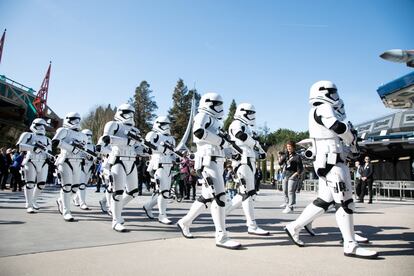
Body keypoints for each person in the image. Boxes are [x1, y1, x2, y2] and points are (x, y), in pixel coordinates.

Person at [284, 80, 377, 259]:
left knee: (324, 201)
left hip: (329, 161)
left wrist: (350, 143)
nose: (335, 94)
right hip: (331, 162)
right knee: (345, 202)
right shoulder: (323, 108)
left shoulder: (318, 110)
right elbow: (338, 127)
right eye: (332, 91)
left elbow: (336, 132)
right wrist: (351, 138)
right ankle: (350, 244)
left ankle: (293, 227)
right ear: (323, 92)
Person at [177, 92, 241, 249]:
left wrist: (230, 149)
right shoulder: (202, 115)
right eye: (217, 104)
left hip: (216, 162)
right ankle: (221, 236)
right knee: (219, 197)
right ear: (209, 103)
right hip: (207, 162)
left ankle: (184, 222)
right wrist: (221, 141)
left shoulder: (215, 121)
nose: (220, 107)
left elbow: (219, 143)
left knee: (206, 198)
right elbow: (198, 133)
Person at [225, 103, 269, 236]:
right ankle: (252, 225)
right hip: (241, 161)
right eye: (250, 113)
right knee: (248, 193)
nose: (251, 116)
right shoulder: (236, 124)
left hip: (249, 160)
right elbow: (240, 136)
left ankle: (220, 213)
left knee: (243, 194)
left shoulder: (247, 127)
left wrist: (259, 150)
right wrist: (255, 143)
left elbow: (249, 144)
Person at [101, 103, 143, 232]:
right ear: (120, 112)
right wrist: (126, 141)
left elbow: (137, 147)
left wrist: (145, 149)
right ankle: (116, 219)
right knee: (118, 192)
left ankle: (114, 208)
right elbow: (104, 141)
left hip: (131, 162)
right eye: (126, 112)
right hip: (118, 160)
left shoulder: (135, 130)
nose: (129, 115)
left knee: (133, 192)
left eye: (131, 113)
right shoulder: (113, 125)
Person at [53, 113, 88, 221]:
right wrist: (71, 147)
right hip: (65, 160)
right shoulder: (64, 131)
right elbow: (55, 142)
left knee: (75, 187)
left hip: (77, 162)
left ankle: (61, 200)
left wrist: (85, 153)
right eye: (73, 120)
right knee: (67, 186)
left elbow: (84, 149)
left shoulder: (83, 135)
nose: (76, 122)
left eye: (78, 120)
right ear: (68, 120)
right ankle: (66, 211)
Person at [142, 116, 176, 225]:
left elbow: (172, 153)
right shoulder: (153, 135)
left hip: (168, 166)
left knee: (165, 191)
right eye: (164, 124)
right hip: (158, 165)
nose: (166, 127)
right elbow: (148, 148)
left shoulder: (171, 138)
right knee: (164, 191)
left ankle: (148, 206)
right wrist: (162, 149)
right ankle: (162, 215)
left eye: (168, 124)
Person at [17, 118, 53, 213]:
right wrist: (33, 148)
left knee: (41, 184)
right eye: (38, 125)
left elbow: (49, 152)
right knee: (30, 183)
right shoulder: (28, 135)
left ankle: (33, 200)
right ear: (34, 125)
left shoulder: (48, 139)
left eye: (43, 125)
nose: (41, 127)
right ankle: (29, 204)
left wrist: (50, 157)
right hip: (31, 160)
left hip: (43, 162)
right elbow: (19, 146)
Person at [72, 129, 96, 210]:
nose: (88, 137)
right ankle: (83, 203)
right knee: (81, 185)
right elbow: (75, 154)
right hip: (81, 166)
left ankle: (76, 198)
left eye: (90, 135)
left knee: (84, 185)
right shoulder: (79, 145)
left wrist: (93, 158)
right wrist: (84, 157)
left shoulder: (93, 146)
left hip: (89, 167)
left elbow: (95, 158)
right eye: (87, 135)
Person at [279, 141, 303, 213]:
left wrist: (295, 175)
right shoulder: (286, 156)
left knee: (291, 191)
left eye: (290, 146)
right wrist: (281, 157)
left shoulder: (297, 156)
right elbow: (280, 163)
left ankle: (290, 206)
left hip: (293, 175)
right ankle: (287, 203)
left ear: (293, 147)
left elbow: (300, 169)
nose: (288, 148)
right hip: (286, 174)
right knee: (285, 190)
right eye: (287, 146)